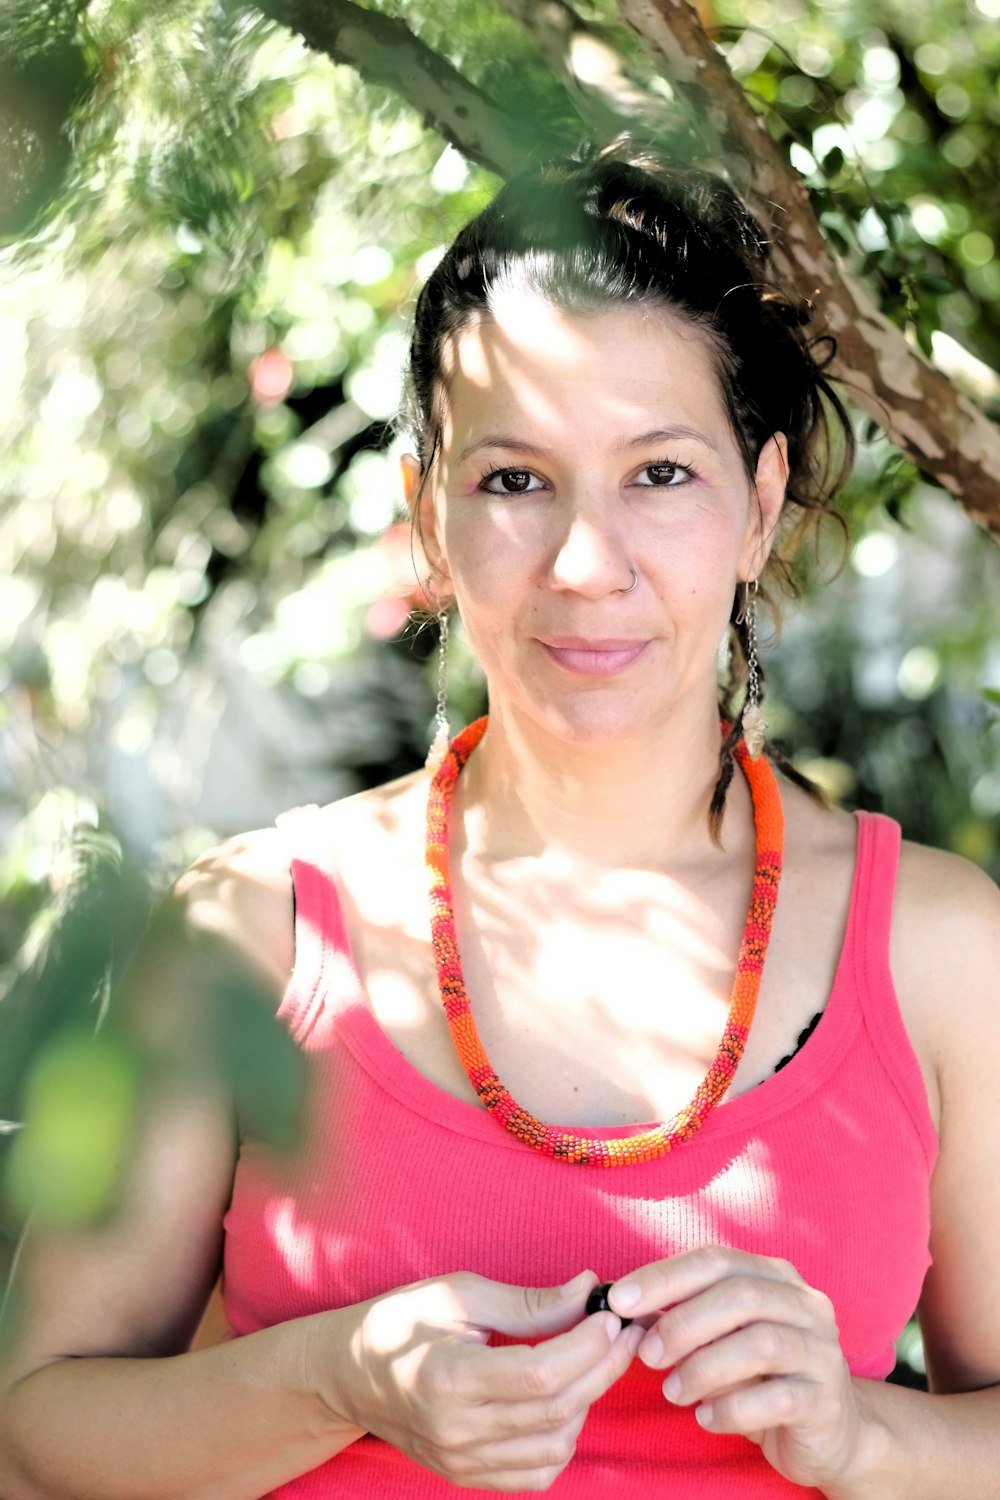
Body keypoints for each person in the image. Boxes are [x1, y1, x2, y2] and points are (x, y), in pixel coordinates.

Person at [2, 146, 1000, 1500]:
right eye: (514, 482)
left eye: (659, 474)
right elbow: (36, 1424)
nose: (587, 565)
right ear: (427, 519)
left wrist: (865, 1432)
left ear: (760, 509)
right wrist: (336, 1378)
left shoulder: (944, 955)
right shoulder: (252, 931)